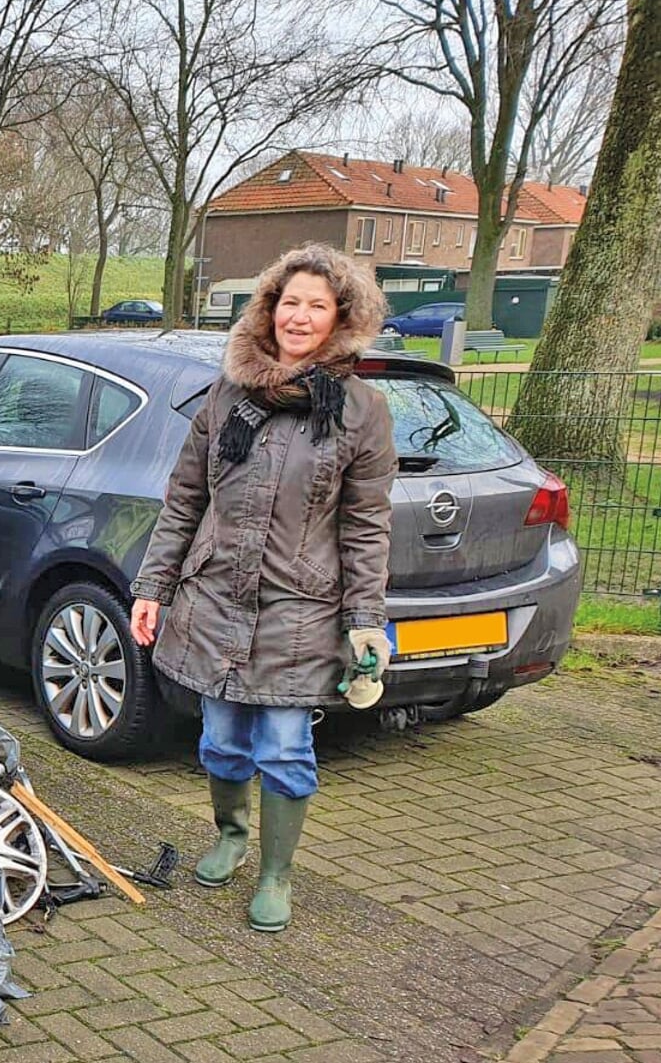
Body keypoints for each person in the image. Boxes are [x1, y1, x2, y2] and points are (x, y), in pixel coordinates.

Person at [127, 243, 396, 933]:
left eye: (316, 304)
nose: (299, 317)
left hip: (300, 609)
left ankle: (276, 873)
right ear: (269, 309)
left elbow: (367, 526)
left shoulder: (360, 410)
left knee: (283, 745)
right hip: (216, 598)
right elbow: (185, 498)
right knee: (220, 740)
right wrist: (152, 584)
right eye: (289, 302)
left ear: (341, 317)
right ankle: (231, 834)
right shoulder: (227, 394)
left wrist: (365, 621)